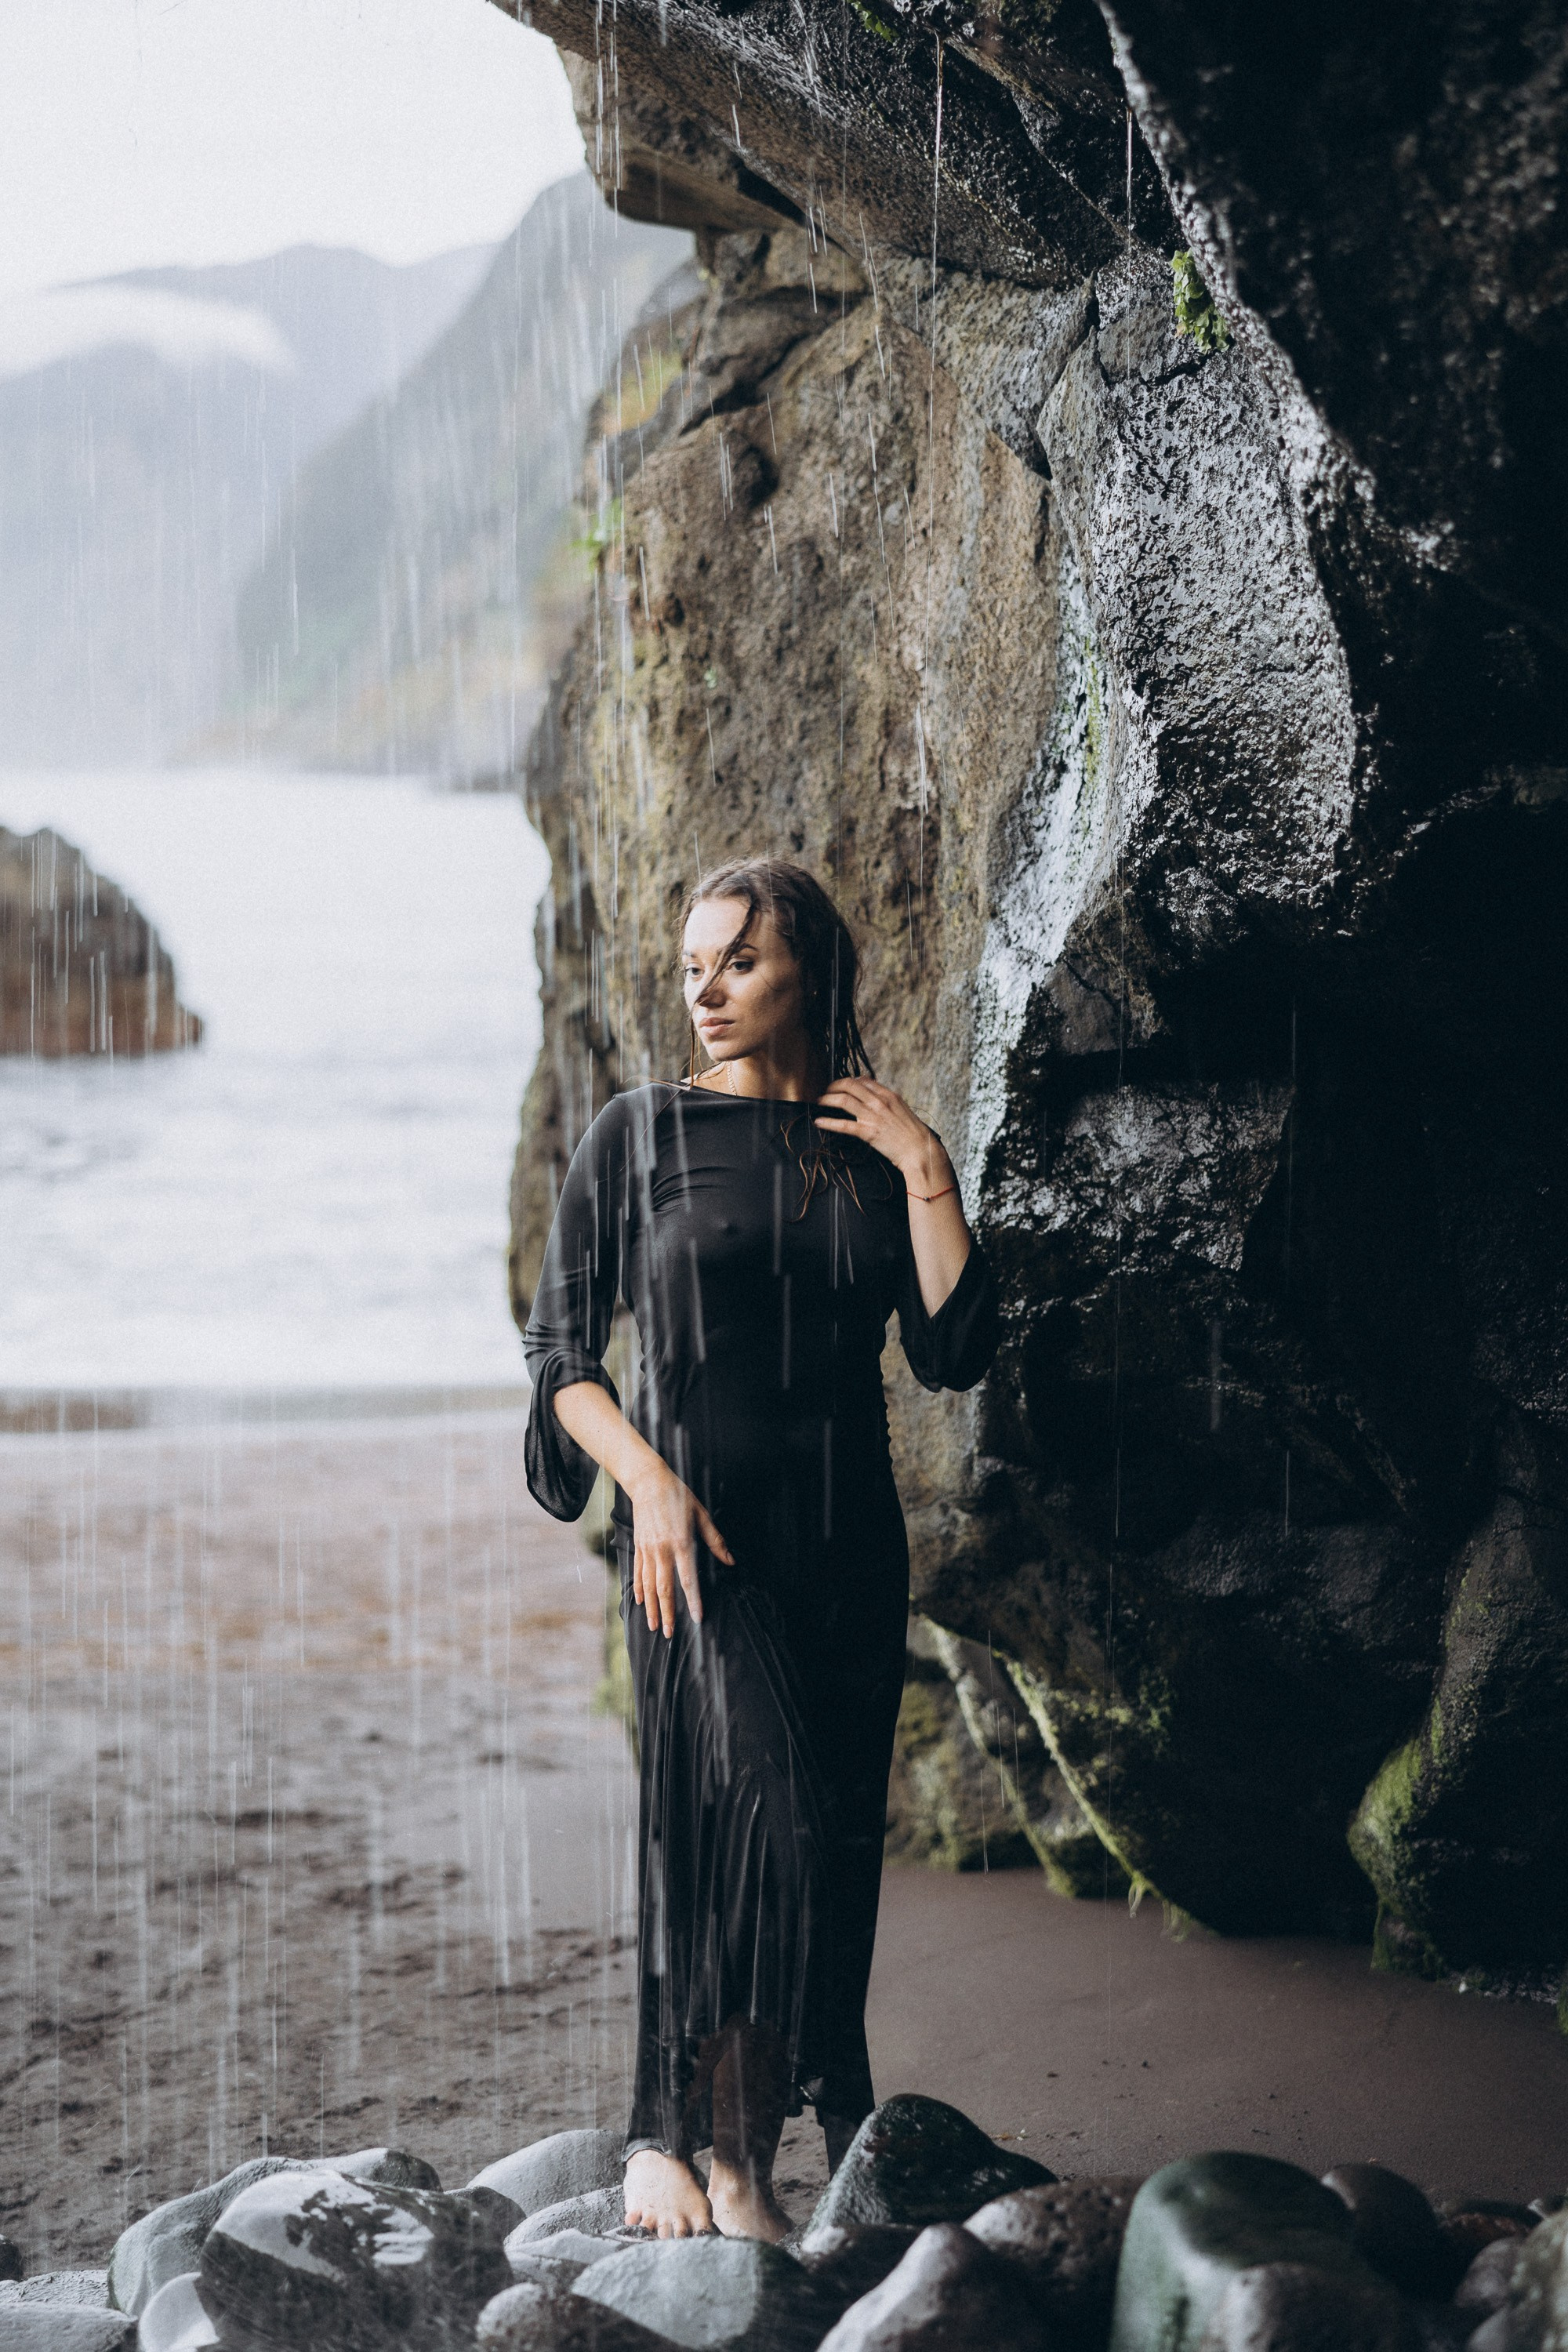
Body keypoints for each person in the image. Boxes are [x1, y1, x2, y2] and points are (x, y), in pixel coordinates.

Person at [521, 857, 999, 2241]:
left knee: (831, 1851)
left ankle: (768, 2126)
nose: (706, 988)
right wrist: (649, 1485)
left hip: (848, 1559)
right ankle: (716, 2156)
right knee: (758, 1833)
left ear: (808, 973)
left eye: (737, 961)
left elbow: (956, 1347)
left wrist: (927, 1170)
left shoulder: (869, 1153)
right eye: (693, 965)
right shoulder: (641, 1132)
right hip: (696, 1551)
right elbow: (560, 1352)